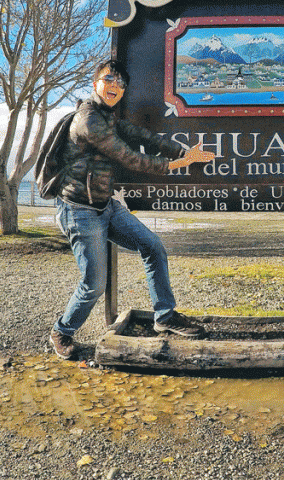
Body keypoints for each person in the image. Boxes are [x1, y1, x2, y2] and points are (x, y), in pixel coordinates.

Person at [50, 59, 216, 360]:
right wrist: (180, 163)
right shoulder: (88, 120)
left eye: (121, 84)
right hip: (79, 210)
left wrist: (182, 151)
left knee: (152, 246)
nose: (115, 86)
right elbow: (130, 157)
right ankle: (62, 331)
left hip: (105, 206)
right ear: (95, 83)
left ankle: (164, 317)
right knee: (93, 284)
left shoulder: (107, 117)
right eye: (109, 79)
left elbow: (141, 137)